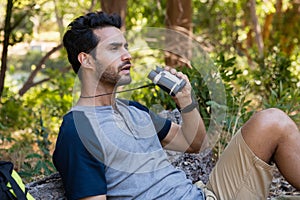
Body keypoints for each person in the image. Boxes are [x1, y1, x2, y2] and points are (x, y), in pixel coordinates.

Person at [52, 11, 300, 200]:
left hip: (206, 195)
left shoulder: (134, 111)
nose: (127, 55)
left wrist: (185, 100)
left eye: (126, 46)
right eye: (114, 48)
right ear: (86, 60)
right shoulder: (78, 130)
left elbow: (196, 144)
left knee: (272, 121)